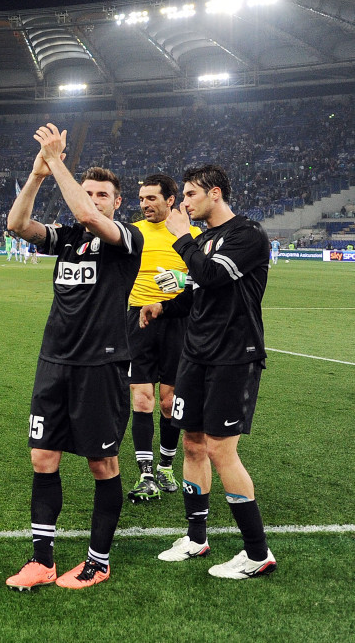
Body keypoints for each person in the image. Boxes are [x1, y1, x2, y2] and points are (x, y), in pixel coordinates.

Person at [5, 124, 143, 591]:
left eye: (103, 194)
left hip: (100, 367)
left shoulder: (126, 239)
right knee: (43, 457)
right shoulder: (66, 239)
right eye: (89, 192)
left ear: (116, 202)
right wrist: (39, 172)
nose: (94, 199)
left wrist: (59, 159)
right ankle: (42, 560)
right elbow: (17, 225)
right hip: (54, 362)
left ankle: (98, 561)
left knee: (102, 465)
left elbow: (87, 217)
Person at [141, 163, 277, 580]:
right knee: (194, 445)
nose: (182, 203)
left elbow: (212, 275)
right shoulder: (207, 239)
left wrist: (182, 237)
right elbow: (197, 293)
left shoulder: (247, 235)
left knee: (221, 450)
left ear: (214, 193)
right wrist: (164, 306)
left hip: (233, 355)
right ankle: (196, 537)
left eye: (189, 195)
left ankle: (257, 554)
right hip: (196, 355)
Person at [125, 174, 200, 503]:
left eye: (151, 198)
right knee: (142, 399)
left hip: (176, 320)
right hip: (138, 318)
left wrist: (182, 278)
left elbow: (205, 277)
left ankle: (166, 466)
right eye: (141, 199)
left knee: (169, 402)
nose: (144, 205)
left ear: (171, 200)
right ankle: (145, 474)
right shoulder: (133, 233)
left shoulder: (191, 234)